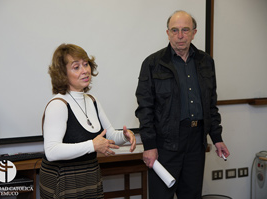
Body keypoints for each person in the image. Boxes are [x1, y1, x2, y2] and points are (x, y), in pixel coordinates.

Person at [135, 10, 230, 199]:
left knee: (192, 196)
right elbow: (145, 108)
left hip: (196, 142)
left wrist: (217, 137)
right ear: (167, 33)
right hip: (165, 145)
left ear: (194, 32)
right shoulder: (153, 63)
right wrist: (149, 145)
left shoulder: (206, 62)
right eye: (175, 30)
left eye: (185, 30)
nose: (180, 36)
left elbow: (211, 103)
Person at [39, 43, 136, 199]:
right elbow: (51, 152)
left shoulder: (92, 100)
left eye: (86, 64)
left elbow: (108, 134)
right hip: (64, 179)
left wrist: (125, 136)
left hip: (89, 176)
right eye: (76, 67)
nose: (85, 71)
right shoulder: (58, 104)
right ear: (62, 73)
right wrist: (92, 145)